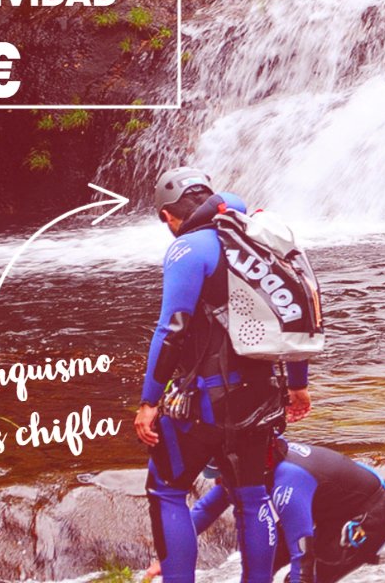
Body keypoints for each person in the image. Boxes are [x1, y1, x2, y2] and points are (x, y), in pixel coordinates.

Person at [135, 166, 312, 583]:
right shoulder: (258, 240)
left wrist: (149, 400)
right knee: (251, 496)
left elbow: (172, 327)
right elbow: (295, 313)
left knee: (166, 488)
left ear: (167, 216)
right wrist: (299, 385)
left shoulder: (189, 248)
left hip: (207, 400)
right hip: (263, 396)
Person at [148, 439, 385, 583]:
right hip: (333, 506)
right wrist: (168, 556)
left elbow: (302, 556)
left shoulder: (287, 485)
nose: (218, 482)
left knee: (304, 577)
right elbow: (206, 509)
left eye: (220, 475)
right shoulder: (249, 464)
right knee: (260, 563)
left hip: (373, 510)